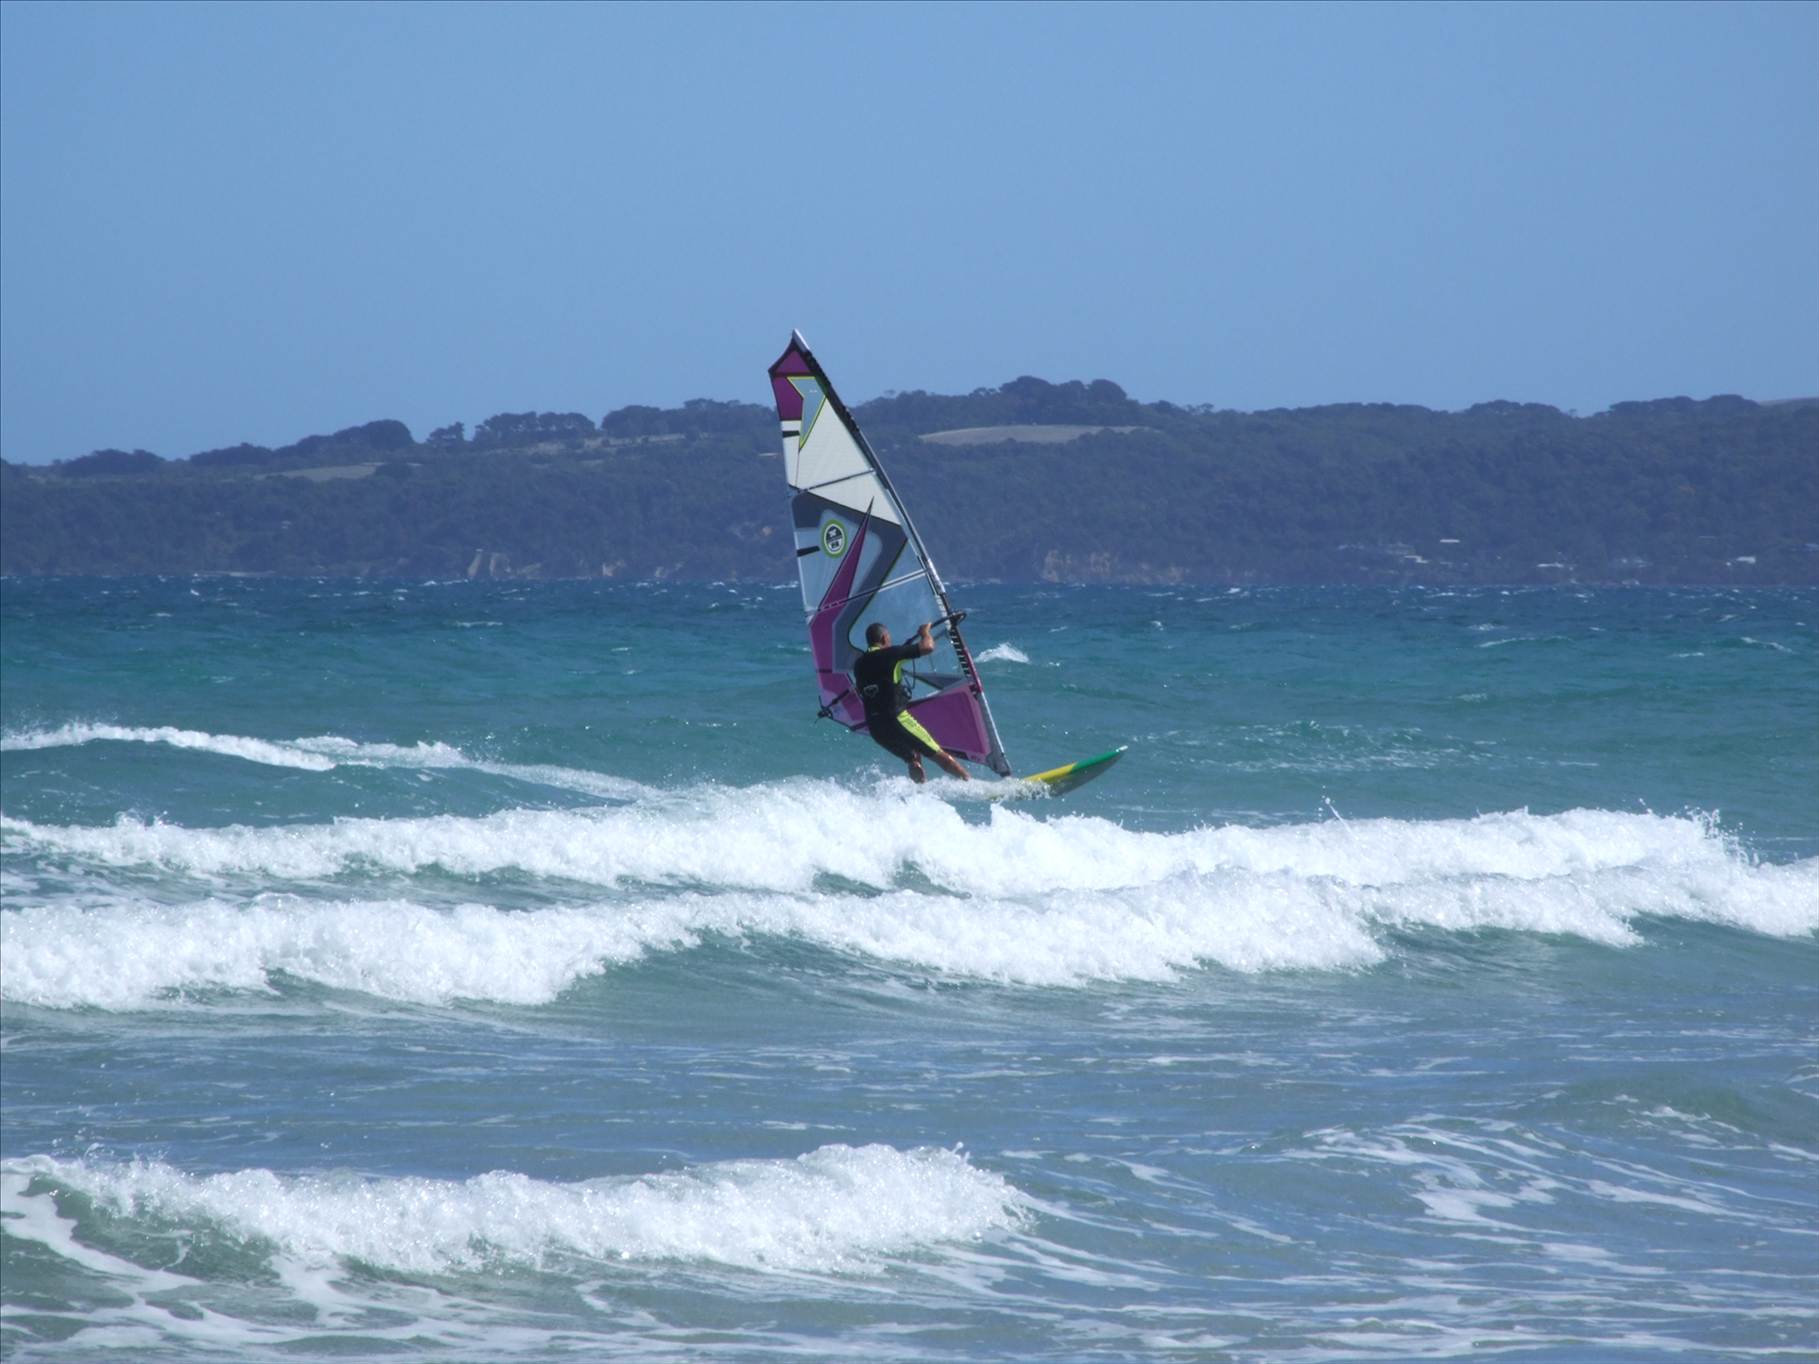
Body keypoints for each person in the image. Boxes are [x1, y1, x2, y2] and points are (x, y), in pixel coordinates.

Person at [852, 621, 971, 783]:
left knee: (913, 757)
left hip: (875, 726)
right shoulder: (892, 654)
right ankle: (969, 782)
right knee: (938, 754)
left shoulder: (859, 664)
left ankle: (920, 793)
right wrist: (924, 633)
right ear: (884, 637)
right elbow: (928, 647)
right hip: (896, 719)